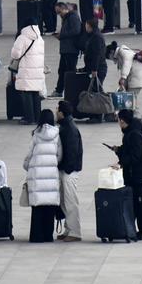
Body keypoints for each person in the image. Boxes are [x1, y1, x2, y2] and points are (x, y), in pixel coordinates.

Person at [23, 109, 63, 243]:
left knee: (37, 207)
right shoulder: (57, 134)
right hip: (51, 175)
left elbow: (29, 155)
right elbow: (59, 155)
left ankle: (36, 236)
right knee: (50, 206)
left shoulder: (36, 135)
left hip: (36, 176)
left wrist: (27, 166)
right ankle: (48, 236)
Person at [112, 110, 142, 240]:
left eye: (118, 120)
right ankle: (131, 229)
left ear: (122, 121)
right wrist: (119, 150)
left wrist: (121, 163)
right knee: (133, 202)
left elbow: (136, 156)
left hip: (138, 176)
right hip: (132, 175)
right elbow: (129, 150)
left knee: (140, 203)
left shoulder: (134, 134)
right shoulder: (130, 131)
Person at [56, 101, 83, 242]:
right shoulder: (66, 126)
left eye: (57, 110)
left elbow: (72, 151)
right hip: (65, 169)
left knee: (70, 201)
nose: (56, 112)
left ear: (61, 113)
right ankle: (68, 229)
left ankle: (75, 232)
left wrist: (67, 169)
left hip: (69, 171)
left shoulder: (69, 129)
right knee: (64, 202)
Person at [11, 19, 45, 126]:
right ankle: (37, 117)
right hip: (37, 69)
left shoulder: (22, 38)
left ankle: (29, 118)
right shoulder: (40, 38)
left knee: (26, 94)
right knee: (35, 93)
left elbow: (15, 54)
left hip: (26, 69)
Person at [106, 42, 142, 111]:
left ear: (111, 52)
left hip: (138, 75)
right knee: (130, 97)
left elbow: (127, 63)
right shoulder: (122, 52)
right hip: (137, 75)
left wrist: (123, 77)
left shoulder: (123, 52)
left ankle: (135, 114)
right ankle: (131, 113)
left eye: (108, 57)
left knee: (131, 98)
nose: (111, 59)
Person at [51, 2, 82, 98]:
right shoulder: (66, 18)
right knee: (62, 71)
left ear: (64, 8)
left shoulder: (73, 17)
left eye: (59, 12)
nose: (59, 15)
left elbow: (76, 30)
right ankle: (59, 90)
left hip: (71, 50)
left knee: (70, 71)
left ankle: (72, 91)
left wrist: (62, 35)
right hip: (65, 50)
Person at [81, 18, 108, 101]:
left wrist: (94, 69)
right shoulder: (92, 36)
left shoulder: (96, 37)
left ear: (90, 26)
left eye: (86, 25)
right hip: (93, 67)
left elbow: (97, 55)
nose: (85, 27)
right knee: (94, 89)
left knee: (96, 90)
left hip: (98, 68)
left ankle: (98, 106)